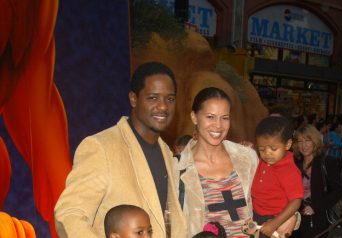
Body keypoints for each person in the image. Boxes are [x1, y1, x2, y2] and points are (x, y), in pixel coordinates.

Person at [54, 62, 185, 238]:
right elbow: (69, 215)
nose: (163, 107)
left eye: (169, 99)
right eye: (153, 98)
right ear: (133, 98)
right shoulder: (101, 147)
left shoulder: (167, 152)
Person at [173, 87, 259, 237]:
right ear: (194, 117)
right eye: (210, 117)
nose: (218, 125)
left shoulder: (248, 158)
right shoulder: (177, 168)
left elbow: (267, 200)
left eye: (224, 118)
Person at [251, 116, 303, 237]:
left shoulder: (289, 169)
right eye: (261, 149)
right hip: (256, 216)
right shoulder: (263, 161)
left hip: (275, 220)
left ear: (288, 144)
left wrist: (274, 224)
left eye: (273, 148)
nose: (267, 153)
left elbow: (296, 201)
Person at [293, 124, 342, 238]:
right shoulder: (295, 162)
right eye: (300, 141)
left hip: (317, 217)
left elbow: (338, 190)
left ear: (315, 141)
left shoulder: (327, 162)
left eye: (307, 140)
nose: (303, 145)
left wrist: (316, 207)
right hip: (295, 217)